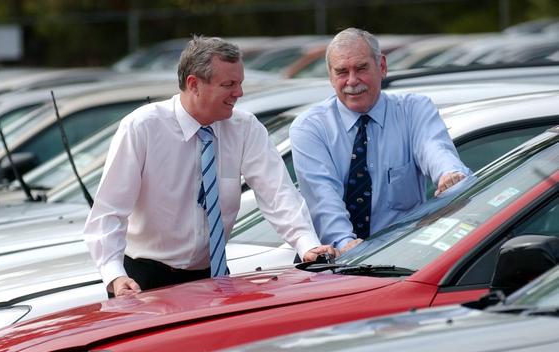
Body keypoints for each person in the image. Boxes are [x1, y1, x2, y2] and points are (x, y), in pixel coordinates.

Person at [84, 35, 335, 298]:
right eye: (228, 84)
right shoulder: (142, 127)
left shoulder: (245, 128)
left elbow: (277, 194)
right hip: (145, 281)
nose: (239, 93)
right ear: (194, 84)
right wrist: (114, 275)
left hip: (213, 277)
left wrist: (306, 244)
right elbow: (109, 211)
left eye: (240, 83)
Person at [290, 27, 470, 253]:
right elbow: (323, 197)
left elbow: (434, 148)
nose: (352, 81)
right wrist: (345, 244)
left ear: (382, 66)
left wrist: (449, 174)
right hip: (335, 260)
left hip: (405, 257)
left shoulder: (413, 110)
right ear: (330, 76)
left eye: (361, 68)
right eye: (342, 72)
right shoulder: (310, 127)